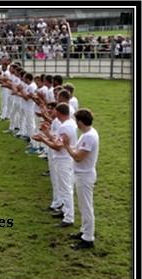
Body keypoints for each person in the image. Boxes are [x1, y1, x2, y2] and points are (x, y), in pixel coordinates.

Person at [34, 103, 77, 227]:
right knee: (64, 188)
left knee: (65, 189)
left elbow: (58, 147)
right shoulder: (70, 123)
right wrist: (47, 134)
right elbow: (58, 141)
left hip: (63, 160)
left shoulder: (65, 127)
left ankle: (69, 217)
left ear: (59, 113)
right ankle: (64, 211)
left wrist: (43, 140)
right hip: (64, 159)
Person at [62, 108, 99, 250]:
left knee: (86, 207)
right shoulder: (87, 134)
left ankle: (88, 239)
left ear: (80, 122)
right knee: (83, 207)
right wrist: (70, 146)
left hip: (85, 175)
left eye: (77, 120)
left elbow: (78, 157)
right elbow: (77, 150)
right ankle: (84, 232)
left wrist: (66, 146)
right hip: (82, 174)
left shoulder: (89, 136)